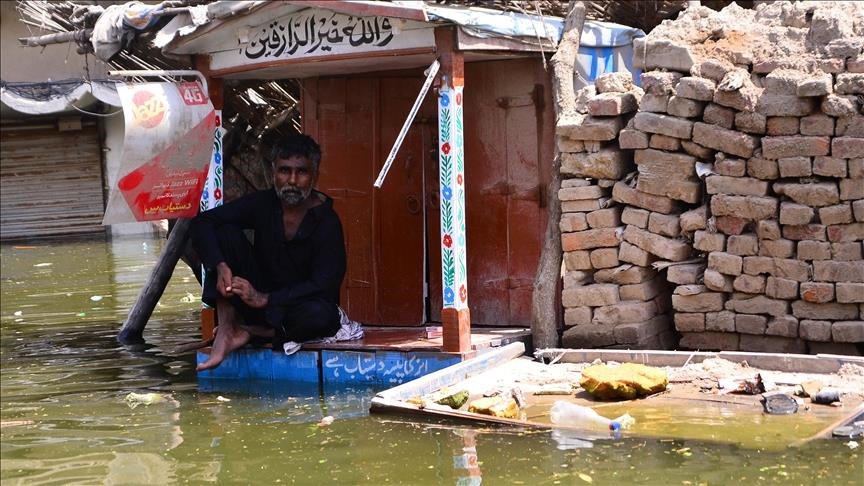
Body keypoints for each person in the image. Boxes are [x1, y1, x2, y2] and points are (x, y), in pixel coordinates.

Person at [191, 134, 345, 371]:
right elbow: (203, 222)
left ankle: (254, 333)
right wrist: (221, 265)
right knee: (224, 231)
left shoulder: (326, 221)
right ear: (273, 172)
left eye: (301, 172)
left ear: (314, 175)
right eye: (284, 171)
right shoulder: (263, 204)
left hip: (294, 311)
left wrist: (266, 299)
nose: (292, 180)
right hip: (255, 300)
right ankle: (228, 325)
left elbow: (324, 286)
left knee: (324, 317)